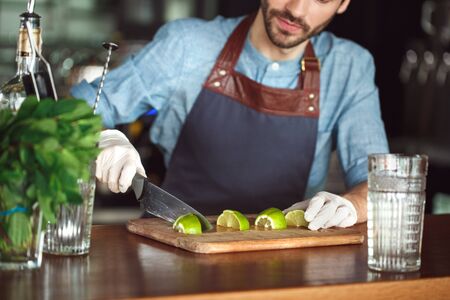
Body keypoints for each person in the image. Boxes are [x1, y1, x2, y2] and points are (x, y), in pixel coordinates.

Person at [71, 0, 389, 230]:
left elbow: (379, 181)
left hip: (286, 265)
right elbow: (75, 107)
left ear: (344, 3)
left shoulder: (350, 66)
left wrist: (352, 205)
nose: (297, 9)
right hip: (172, 246)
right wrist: (101, 136)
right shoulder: (188, 45)